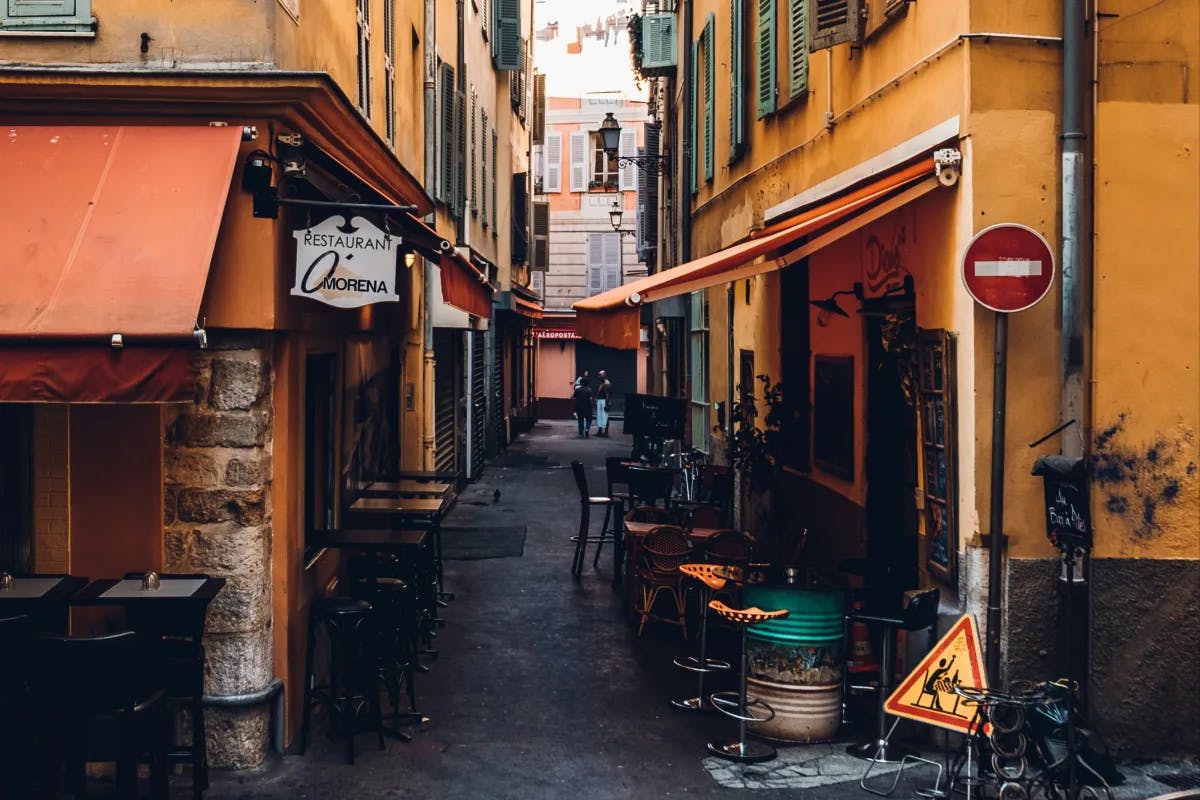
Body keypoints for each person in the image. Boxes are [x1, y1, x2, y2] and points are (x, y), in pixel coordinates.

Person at [595, 370, 613, 437]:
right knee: (600, 416)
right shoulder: (602, 383)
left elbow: (607, 394)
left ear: (604, 375)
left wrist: (607, 403)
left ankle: (606, 432)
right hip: (600, 401)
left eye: (600, 375)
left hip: (604, 401)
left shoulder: (607, 384)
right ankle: (600, 431)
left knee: (605, 417)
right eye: (599, 375)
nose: (599, 376)